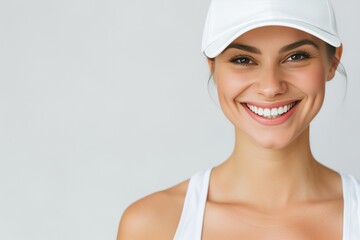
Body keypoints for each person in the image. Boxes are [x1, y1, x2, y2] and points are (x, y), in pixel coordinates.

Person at [117, 0, 360, 239]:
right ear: (213, 67)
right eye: (243, 60)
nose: (270, 87)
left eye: (296, 56)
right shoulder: (152, 226)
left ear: (333, 61)